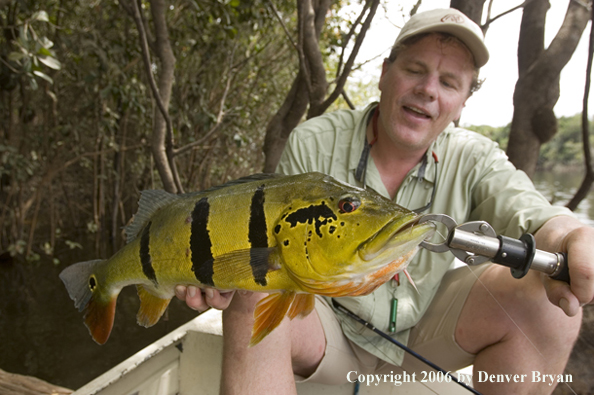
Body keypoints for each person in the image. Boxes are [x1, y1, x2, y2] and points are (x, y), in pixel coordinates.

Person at [175, 8, 594, 394]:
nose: (428, 90)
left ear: (463, 102)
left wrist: (572, 237)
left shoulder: (476, 157)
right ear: (384, 73)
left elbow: (536, 213)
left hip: (423, 342)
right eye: (415, 69)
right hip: (326, 334)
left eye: (449, 82)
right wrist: (207, 270)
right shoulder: (314, 142)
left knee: (552, 303)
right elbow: (269, 246)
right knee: (256, 287)